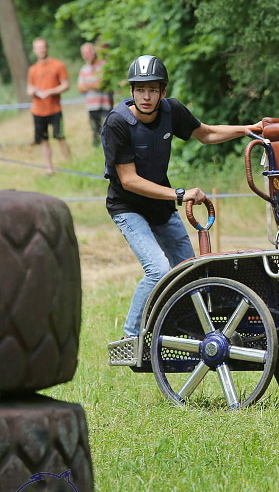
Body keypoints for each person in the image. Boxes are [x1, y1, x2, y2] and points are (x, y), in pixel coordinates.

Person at [102, 55, 263, 343]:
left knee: (190, 271)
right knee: (159, 270)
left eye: (152, 89)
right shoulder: (117, 123)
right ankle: (130, 339)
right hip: (127, 207)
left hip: (160, 206)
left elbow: (208, 134)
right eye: (140, 90)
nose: (146, 96)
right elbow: (129, 181)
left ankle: (183, 330)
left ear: (163, 91)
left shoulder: (171, 110)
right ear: (131, 92)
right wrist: (179, 194)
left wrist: (250, 129)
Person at [27, 38, 71, 175]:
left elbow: (66, 85)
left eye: (43, 47)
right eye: (38, 48)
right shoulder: (32, 69)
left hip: (55, 110)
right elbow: (29, 88)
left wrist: (50, 92)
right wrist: (32, 92)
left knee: (60, 137)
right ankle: (49, 169)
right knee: (44, 140)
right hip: (38, 111)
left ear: (47, 48)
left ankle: (70, 164)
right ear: (34, 50)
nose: (41, 50)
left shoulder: (58, 65)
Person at [77, 42, 113, 146]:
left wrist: (87, 85)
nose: (86, 55)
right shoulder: (84, 69)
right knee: (95, 133)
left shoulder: (103, 65)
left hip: (105, 105)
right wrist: (93, 85)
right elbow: (79, 88)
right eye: (84, 53)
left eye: (88, 52)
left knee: (108, 131)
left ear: (94, 52)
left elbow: (100, 84)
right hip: (91, 107)